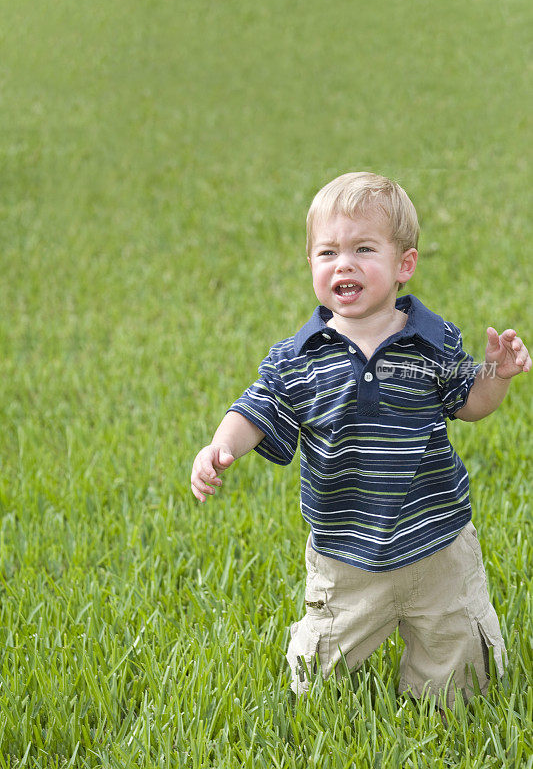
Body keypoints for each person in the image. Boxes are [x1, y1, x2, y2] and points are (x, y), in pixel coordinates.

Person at [190, 172, 530, 707]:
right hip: (345, 552)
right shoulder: (299, 357)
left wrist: (496, 374)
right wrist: (220, 445)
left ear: (404, 265)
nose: (343, 263)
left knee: (459, 667)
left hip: (435, 539)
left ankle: (439, 701)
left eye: (363, 249)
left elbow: (469, 403)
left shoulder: (431, 340)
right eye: (327, 252)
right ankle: (320, 697)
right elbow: (257, 408)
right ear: (311, 267)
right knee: (318, 678)